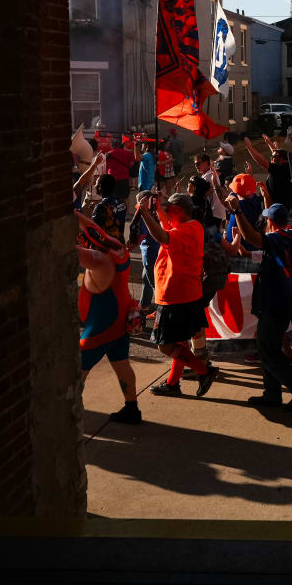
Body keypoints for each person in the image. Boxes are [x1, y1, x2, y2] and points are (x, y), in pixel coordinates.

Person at [231, 202, 292, 411]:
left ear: (270, 221)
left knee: (266, 351)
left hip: (275, 304)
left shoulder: (277, 239)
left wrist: (238, 211)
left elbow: (252, 237)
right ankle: (272, 394)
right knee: (271, 348)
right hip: (284, 302)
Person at [135, 192, 220, 398]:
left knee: (165, 345)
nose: (166, 213)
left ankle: (204, 371)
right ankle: (173, 383)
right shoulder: (192, 226)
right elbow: (167, 228)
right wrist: (156, 208)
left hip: (176, 296)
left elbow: (162, 236)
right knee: (180, 343)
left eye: (169, 210)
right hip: (186, 293)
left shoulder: (184, 231)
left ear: (179, 211)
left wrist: (145, 213)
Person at [75, 211, 141, 424]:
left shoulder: (100, 259)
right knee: (122, 364)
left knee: (77, 367)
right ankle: (132, 408)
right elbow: (95, 230)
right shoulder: (118, 251)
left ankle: (70, 412)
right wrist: (73, 213)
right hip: (120, 321)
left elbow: (68, 252)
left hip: (102, 325)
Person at [92, 174, 128, 242]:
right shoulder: (122, 203)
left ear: (100, 187)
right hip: (120, 241)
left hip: (107, 245)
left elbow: (94, 228)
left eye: (96, 183)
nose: (95, 186)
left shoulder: (101, 207)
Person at [106, 138, 134, 202]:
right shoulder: (126, 153)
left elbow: (105, 166)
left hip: (112, 178)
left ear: (112, 145)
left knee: (113, 197)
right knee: (125, 197)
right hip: (124, 177)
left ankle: (115, 211)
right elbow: (132, 164)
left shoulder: (109, 154)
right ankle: (126, 212)